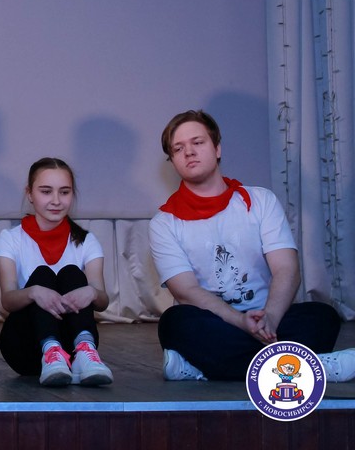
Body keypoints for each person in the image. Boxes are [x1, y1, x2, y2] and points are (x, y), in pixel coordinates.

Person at [150, 109, 355, 382]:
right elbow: (186, 292)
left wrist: (268, 319)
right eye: (178, 149)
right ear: (173, 161)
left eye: (198, 142)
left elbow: (287, 270)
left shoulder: (260, 201)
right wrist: (240, 322)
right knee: (175, 323)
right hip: (215, 323)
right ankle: (307, 366)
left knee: (322, 316)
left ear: (217, 148)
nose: (189, 152)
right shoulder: (164, 222)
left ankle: (205, 368)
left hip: (269, 318)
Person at [0, 158, 113, 386]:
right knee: (42, 276)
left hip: (71, 341)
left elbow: (102, 300)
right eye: (46, 191)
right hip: (27, 347)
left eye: (64, 192)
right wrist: (33, 293)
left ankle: (84, 351)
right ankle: (51, 351)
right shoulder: (10, 239)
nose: (56, 201)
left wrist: (92, 293)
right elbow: (7, 300)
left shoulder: (87, 241)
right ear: (30, 194)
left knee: (71, 273)